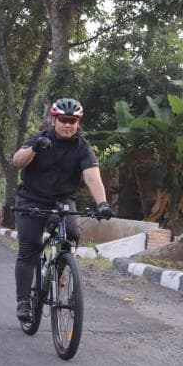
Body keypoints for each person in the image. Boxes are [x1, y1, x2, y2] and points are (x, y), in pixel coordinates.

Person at [11, 98, 114, 322]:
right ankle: (24, 302)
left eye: (73, 121)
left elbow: (91, 176)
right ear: (54, 119)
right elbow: (17, 161)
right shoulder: (41, 139)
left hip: (62, 200)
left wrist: (102, 203)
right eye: (64, 120)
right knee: (28, 249)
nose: (68, 125)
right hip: (31, 198)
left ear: (78, 122)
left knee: (73, 233)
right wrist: (34, 149)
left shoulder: (82, 147)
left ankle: (59, 267)